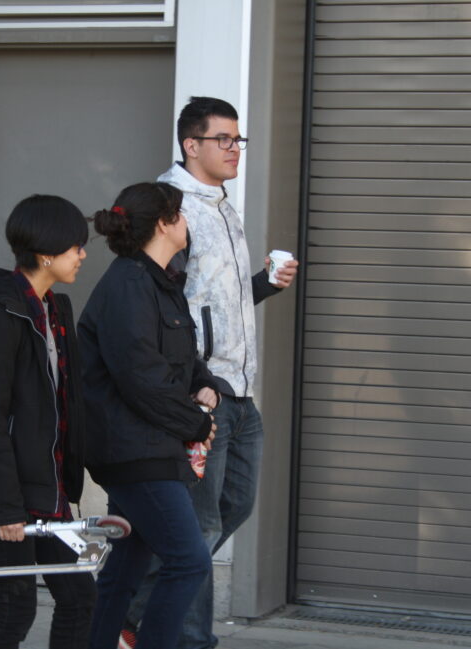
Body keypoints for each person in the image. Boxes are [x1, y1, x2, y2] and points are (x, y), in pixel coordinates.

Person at [122, 97, 299, 649]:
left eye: (238, 140)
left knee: (230, 511)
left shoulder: (221, 203)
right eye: (223, 139)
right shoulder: (169, 208)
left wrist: (265, 283)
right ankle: (187, 640)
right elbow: (163, 307)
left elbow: (214, 302)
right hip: (203, 395)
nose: (234, 149)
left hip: (240, 392)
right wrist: (192, 389)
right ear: (190, 145)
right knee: (199, 529)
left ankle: (131, 609)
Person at [0, 194, 95, 649]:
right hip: (5, 493)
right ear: (47, 252)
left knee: (79, 597)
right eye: (76, 246)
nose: (83, 255)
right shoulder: (3, 315)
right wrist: (8, 509)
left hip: (45, 488)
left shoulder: (55, 309)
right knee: (16, 607)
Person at [79, 182, 220, 649]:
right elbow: (141, 377)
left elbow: (178, 359)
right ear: (163, 223)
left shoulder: (160, 280)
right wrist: (195, 423)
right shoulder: (128, 285)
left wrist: (204, 384)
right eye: (180, 214)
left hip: (148, 446)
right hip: (135, 450)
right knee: (189, 561)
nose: (186, 222)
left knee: (124, 571)